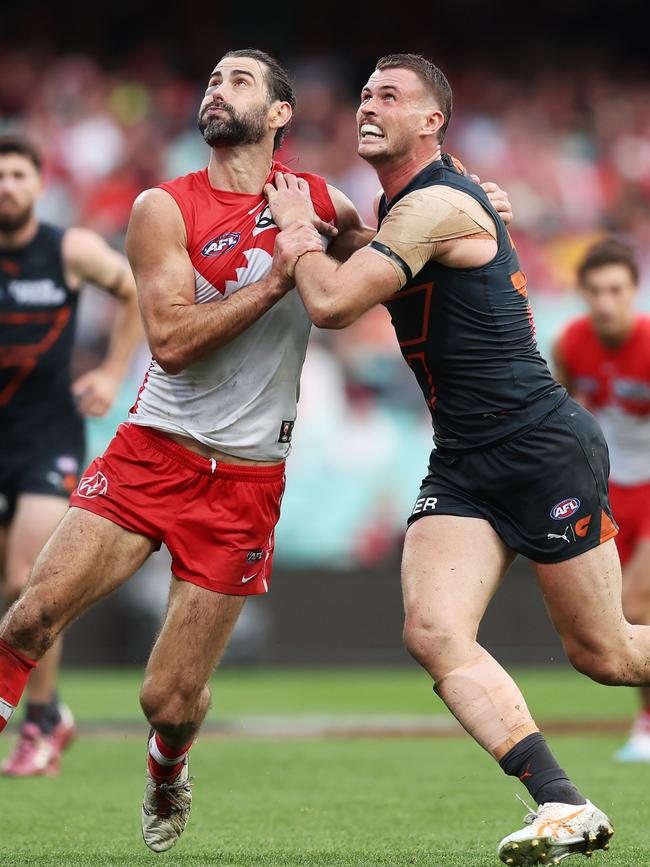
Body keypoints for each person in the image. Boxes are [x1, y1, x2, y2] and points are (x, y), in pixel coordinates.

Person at [0, 49, 511, 853]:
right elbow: (168, 342)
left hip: (244, 480)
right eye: (210, 79)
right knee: (28, 616)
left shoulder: (323, 202)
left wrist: (471, 214)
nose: (216, 90)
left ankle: (169, 767)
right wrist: (281, 273)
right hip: (152, 453)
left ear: (279, 114)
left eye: (239, 80)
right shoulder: (161, 208)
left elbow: (392, 258)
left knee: (168, 698)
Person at [263, 53, 650, 865]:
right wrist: (342, 226)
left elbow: (332, 303)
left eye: (390, 96)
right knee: (433, 630)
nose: (368, 105)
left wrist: (301, 235)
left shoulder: (437, 202)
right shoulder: (421, 203)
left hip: (538, 448)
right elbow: (393, 244)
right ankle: (563, 803)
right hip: (466, 459)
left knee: (607, 654)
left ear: (432, 120)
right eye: (364, 93)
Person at [0, 133, 142, 777]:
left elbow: (135, 291)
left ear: (38, 184)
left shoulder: (69, 248)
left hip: (45, 435)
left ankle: (43, 718)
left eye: (19, 176)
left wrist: (113, 372)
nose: (8, 187)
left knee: (26, 579)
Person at [554, 238, 650, 763]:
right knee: (610, 616)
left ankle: (646, 726)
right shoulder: (571, 342)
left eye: (616, 290)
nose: (606, 302)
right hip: (608, 493)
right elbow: (563, 407)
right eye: (595, 291)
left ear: (634, 291)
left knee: (635, 608)